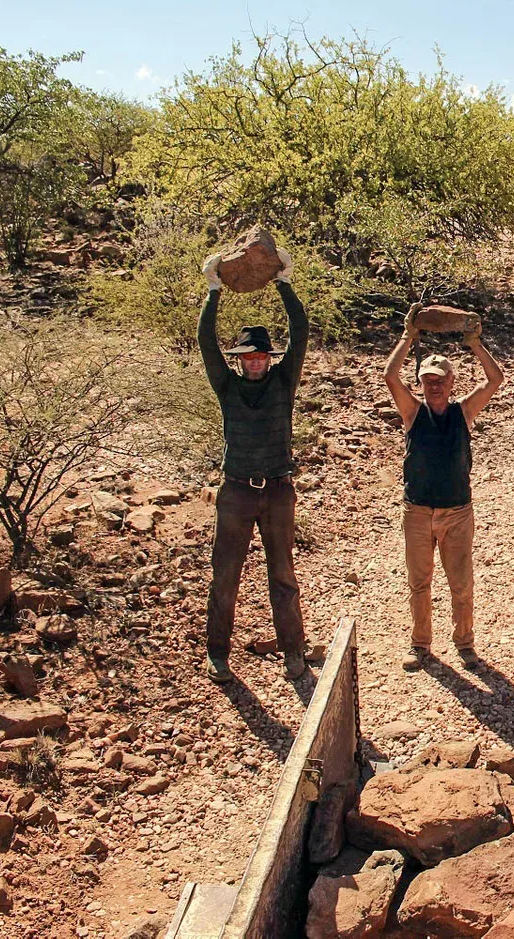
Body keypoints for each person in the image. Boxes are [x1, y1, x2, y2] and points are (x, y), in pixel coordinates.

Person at [198, 248, 308, 684]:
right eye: (248, 356)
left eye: (261, 355)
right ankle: (218, 654)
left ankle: (294, 652)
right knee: (225, 574)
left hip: (279, 490)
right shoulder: (227, 386)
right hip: (236, 492)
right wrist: (212, 291)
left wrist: (284, 281)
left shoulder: (285, 380)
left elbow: (300, 332)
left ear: (269, 357)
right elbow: (207, 342)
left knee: (283, 573)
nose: (256, 361)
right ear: (240, 360)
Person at [384, 308, 504, 672]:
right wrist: (408, 337)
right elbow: (390, 376)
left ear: (452, 382)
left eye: (440, 380)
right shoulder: (412, 413)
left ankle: (465, 643)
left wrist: (475, 344)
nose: (434, 386)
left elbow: (495, 379)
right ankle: (420, 645)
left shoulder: (463, 412)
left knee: (461, 584)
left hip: (456, 513)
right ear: (420, 383)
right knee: (419, 583)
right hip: (418, 512)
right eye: (428, 380)